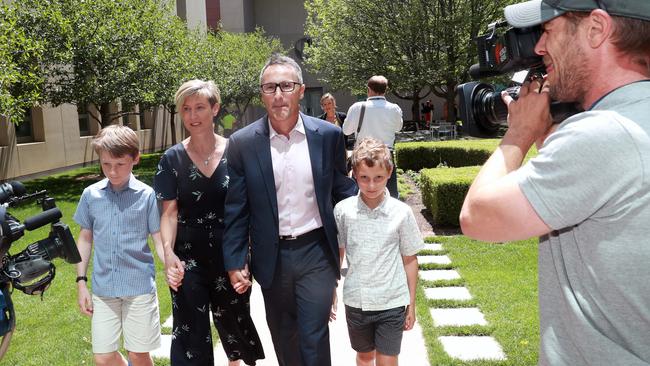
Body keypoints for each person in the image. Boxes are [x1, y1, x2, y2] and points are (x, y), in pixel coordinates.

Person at [459, 1, 650, 365]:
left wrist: (518, 134)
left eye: (549, 30)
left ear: (596, 29)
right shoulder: (633, 119)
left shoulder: (605, 133)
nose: (540, 47)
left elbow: (478, 216)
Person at [222, 54, 357, 366]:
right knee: (284, 337)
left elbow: (343, 193)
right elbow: (236, 209)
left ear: (300, 90)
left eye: (286, 85)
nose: (278, 94)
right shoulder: (243, 143)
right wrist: (234, 260)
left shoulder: (328, 137)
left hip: (316, 253)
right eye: (270, 88)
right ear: (262, 94)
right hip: (272, 257)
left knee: (314, 334)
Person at [154, 80, 264, 365]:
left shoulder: (237, 152)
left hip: (231, 253)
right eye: (186, 109)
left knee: (234, 324)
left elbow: (249, 208)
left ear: (215, 109)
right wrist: (169, 255)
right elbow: (168, 212)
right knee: (191, 330)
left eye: (200, 107)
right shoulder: (171, 159)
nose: (193, 115)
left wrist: (244, 256)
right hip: (188, 256)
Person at [74, 125, 164, 366]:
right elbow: (84, 239)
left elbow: (158, 239)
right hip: (104, 290)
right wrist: (81, 283)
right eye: (105, 165)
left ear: (135, 159)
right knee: (103, 357)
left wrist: (172, 263)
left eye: (119, 164)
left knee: (138, 354)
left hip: (139, 288)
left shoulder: (147, 196)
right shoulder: (90, 195)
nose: (112, 172)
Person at [334, 137, 422, 366]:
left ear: (389, 173)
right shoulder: (343, 212)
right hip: (356, 302)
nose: (371, 186)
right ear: (354, 173)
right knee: (365, 357)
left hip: (392, 302)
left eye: (378, 178)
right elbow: (338, 253)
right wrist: (331, 289)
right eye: (364, 178)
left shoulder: (401, 213)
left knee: (387, 360)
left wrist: (411, 303)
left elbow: (410, 259)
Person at [343, 75, 403, 198]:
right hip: (386, 154)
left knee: (361, 195)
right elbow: (398, 128)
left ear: (368, 89)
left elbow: (346, 130)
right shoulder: (394, 108)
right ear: (385, 90)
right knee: (390, 196)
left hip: (363, 154)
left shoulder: (357, 107)